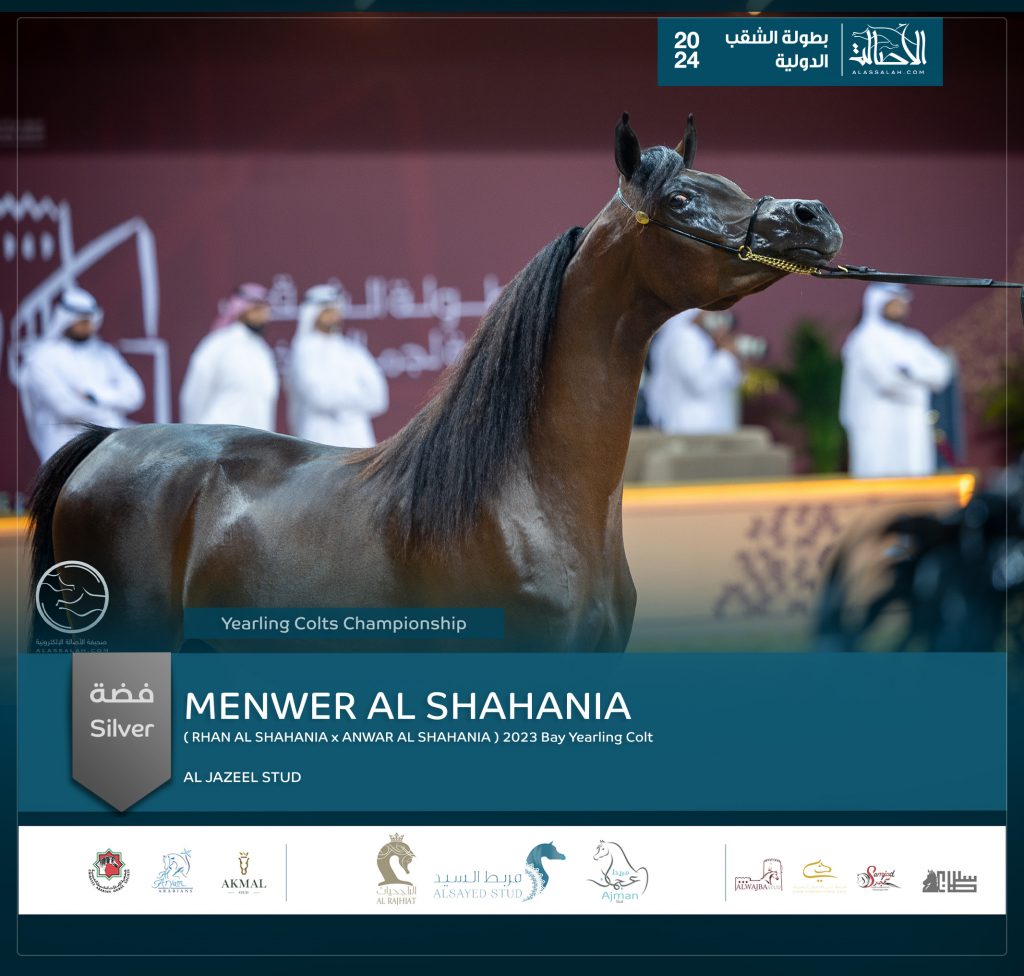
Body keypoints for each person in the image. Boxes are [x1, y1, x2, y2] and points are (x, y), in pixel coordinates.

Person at [840, 283, 953, 478]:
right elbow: (886, 380)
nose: (900, 307)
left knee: (914, 479)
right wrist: (921, 385)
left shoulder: (912, 340)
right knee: (878, 479)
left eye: (902, 302)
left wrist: (911, 373)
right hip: (876, 425)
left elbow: (941, 371)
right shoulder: (863, 340)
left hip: (913, 424)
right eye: (894, 302)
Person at [20, 287, 145, 462]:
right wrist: (110, 413)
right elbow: (66, 407)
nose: (88, 326)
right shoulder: (42, 358)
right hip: (64, 447)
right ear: (66, 319)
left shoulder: (105, 353)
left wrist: (95, 396)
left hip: (110, 441)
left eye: (91, 320)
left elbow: (135, 395)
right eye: (82, 321)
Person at [286, 284, 389, 447]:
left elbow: (378, 398)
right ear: (312, 314)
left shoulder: (353, 351)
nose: (333, 316)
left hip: (358, 441)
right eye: (327, 312)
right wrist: (356, 395)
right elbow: (319, 397)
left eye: (336, 310)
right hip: (318, 440)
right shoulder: (303, 352)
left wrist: (340, 400)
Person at [179, 283, 279, 430]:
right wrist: (195, 436)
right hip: (218, 438)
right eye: (257, 309)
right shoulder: (218, 344)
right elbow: (194, 397)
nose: (263, 316)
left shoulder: (262, 350)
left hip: (256, 440)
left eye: (265, 310)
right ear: (241, 310)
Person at [645, 308, 744, 435]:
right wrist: (726, 355)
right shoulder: (685, 337)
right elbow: (700, 383)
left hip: (703, 430)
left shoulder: (698, 338)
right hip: (692, 430)